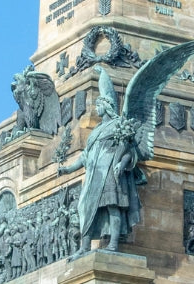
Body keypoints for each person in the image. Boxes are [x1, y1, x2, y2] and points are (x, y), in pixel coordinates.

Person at [58, 86, 141, 253]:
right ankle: (85, 247)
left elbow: (129, 151)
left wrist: (121, 165)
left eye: (98, 105)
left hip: (110, 172)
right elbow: (85, 155)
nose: (96, 109)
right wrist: (68, 169)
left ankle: (113, 244)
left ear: (106, 106)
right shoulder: (96, 130)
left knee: (113, 207)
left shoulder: (118, 124)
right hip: (94, 176)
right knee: (86, 207)